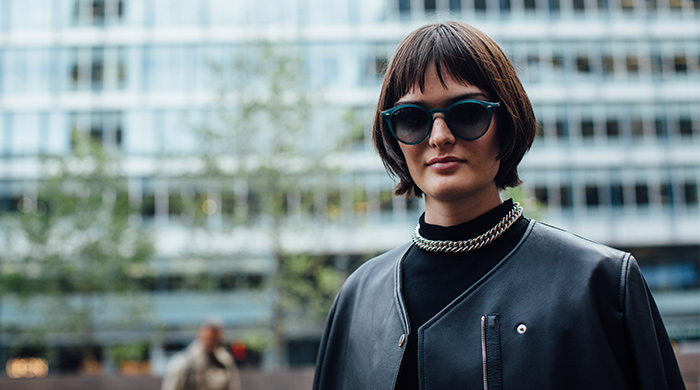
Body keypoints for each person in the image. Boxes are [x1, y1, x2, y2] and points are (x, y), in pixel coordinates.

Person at [313, 21, 685, 390]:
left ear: (506, 124)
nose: (440, 137)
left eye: (467, 113)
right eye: (412, 119)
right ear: (394, 137)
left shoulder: (600, 283)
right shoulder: (359, 297)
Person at [162, 319, 242, 390]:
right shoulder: (181, 363)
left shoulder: (225, 361)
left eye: (215, 340)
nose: (212, 343)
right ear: (199, 335)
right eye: (209, 339)